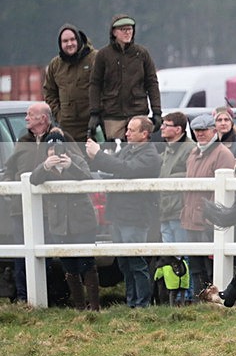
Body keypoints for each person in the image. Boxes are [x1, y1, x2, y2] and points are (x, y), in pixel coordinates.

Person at [86, 115, 162, 307]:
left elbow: (125, 169)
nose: (126, 133)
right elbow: (114, 166)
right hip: (119, 215)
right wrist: (96, 157)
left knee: (136, 262)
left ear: (145, 134)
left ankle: (142, 304)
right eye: (127, 129)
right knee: (124, 264)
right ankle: (131, 302)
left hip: (135, 216)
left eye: (132, 130)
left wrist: (99, 155)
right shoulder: (130, 149)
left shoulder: (150, 156)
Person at [2, 102, 70, 303]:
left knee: (46, 255)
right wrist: (8, 186)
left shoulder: (58, 139)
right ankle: (24, 298)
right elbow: (9, 168)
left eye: (30, 115)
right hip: (20, 209)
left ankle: (50, 296)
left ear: (43, 118)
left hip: (48, 209)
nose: (26, 118)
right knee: (21, 254)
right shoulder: (22, 141)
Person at [29, 128, 101, 310]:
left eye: (58, 148)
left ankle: (94, 305)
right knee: (69, 266)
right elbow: (33, 180)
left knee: (87, 263)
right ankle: (79, 306)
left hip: (82, 221)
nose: (55, 152)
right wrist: (45, 166)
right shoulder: (45, 166)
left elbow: (87, 178)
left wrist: (71, 166)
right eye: (51, 148)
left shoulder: (76, 160)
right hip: (59, 224)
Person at [181, 113, 236, 292]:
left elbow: (222, 193)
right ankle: (200, 300)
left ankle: (215, 299)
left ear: (213, 130)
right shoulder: (193, 153)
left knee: (211, 265)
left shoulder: (223, 154)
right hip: (191, 218)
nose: (199, 134)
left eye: (203, 130)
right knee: (196, 265)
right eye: (196, 130)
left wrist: (210, 217)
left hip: (208, 220)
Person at [88, 14, 161, 140]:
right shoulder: (103, 55)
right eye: (123, 29)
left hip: (138, 113)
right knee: (115, 154)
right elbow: (95, 84)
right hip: (113, 116)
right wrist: (94, 113)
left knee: (140, 150)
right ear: (114, 32)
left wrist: (157, 111)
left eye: (130, 29)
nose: (127, 32)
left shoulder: (142, 53)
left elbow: (152, 83)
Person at [157, 111, 194, 300]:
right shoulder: (168, 148)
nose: (162, 127)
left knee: (183, 256)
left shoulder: (189, 148)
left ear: (178, 129)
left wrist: (167, 180)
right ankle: (173, 296)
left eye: (166, 124)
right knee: (170, 257)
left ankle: (188, 296)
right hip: (165, 209)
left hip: (179, 210)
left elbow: (192, 175)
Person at [43, 23, 97, 142]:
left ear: (78, 39)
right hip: (67, 127)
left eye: (72, 39)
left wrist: (98, 114)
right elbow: (49, 93)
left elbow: (106, 87)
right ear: (60, 44)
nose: (69, 44)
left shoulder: (95, 58)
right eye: (65, 41)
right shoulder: (55, 65)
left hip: (92, 124)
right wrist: (59, 115)